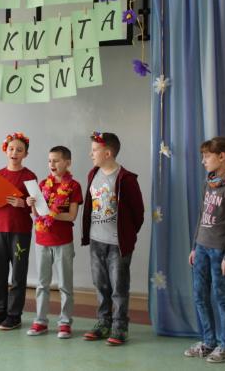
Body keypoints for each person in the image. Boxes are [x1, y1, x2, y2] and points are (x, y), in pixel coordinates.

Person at [184, 136, 225, 363]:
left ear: (222, 157)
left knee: (221, 298)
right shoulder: (209, 183)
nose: (203, 161)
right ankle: (208, 342)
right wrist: (194, 247)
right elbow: (202, 216)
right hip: (201, 248)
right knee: (200, 296)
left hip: (219, 252)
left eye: (207, 156)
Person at [81, 132, 144, 346]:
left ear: (107, 153)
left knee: (119, 286)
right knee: (100, 284)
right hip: (96, 241)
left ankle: (119, 326)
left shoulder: (126, 179)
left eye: (94, 150)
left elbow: (138, 213)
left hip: (117, 244)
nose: (91, 154)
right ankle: (103, 322)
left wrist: (125, 235)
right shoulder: (93, 174)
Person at [0, 132, 36, 330]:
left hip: (20, 231)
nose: (14, 153)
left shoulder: (29, 177)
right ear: (6, 150)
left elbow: (36, 207)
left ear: (25, 154)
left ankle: (14, 315)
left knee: (18, 275)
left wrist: (23, 204)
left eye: (19, 150)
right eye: (11, 149)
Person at [26, 146, 83, 339]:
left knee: (65, 285)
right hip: (42, 240)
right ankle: (40, 321)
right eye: (50, 160)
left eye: (56, 160)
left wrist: (53, 214)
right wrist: (32, 205)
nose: (52, 164)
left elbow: (72, 216)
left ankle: (65, 323)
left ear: (67, 163)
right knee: (42, 284)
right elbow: (37, 215)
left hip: (63, 241)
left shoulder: (74, 186)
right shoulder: (43, 184)